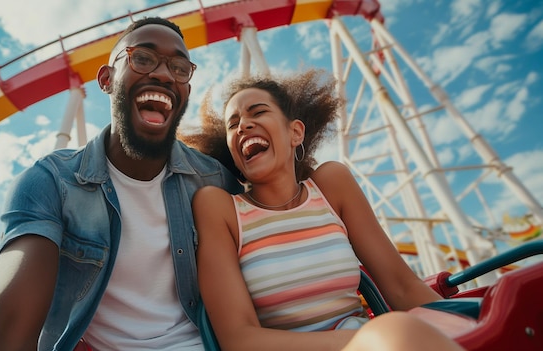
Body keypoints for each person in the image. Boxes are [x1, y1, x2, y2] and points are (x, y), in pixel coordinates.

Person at [0, 17, 243, 351]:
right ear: (106, 80)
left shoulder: (215, 181)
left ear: (187, 90)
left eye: (180, 67)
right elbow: (4, 324)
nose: (164, 74)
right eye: (142, 58)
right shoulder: (52, 182)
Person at [187, 70, 466, 350]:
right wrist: (366, 339)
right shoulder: (219, 208)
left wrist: (464, 324)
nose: (243, 125)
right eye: (232, 125)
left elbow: (402, 287)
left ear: (295, 132)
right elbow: (240, 340)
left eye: (257, 112)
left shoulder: (332, 185)